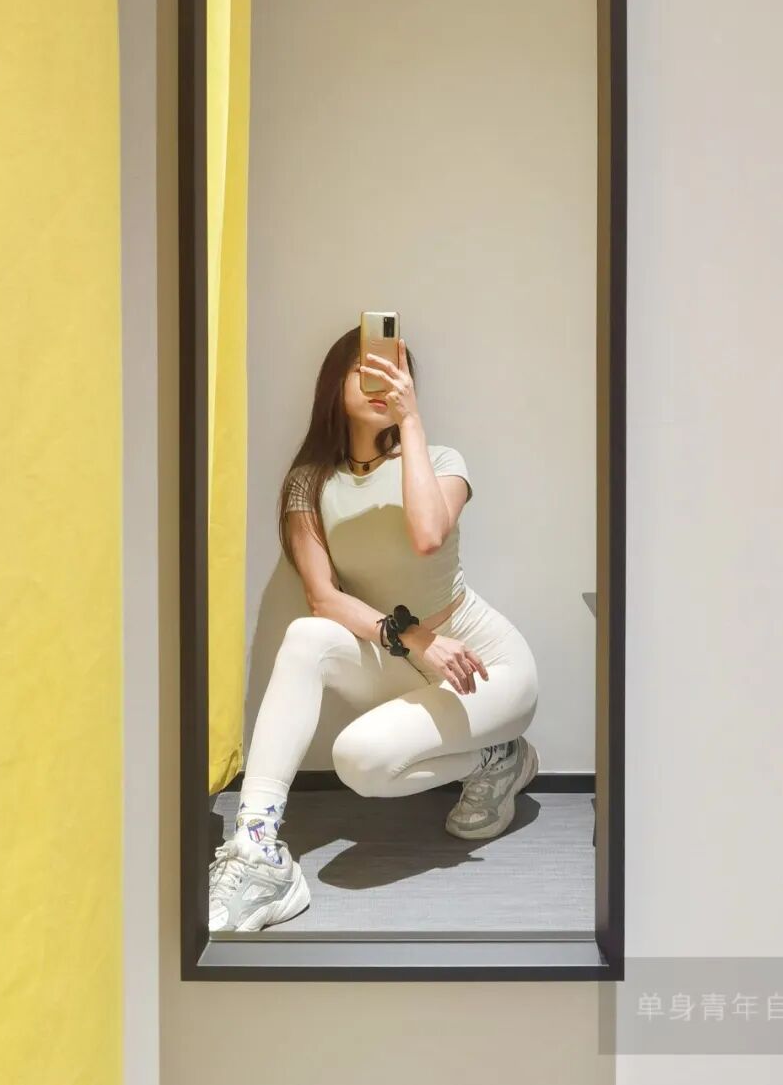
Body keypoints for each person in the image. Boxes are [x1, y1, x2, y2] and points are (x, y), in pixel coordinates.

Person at [208, 326, 540, 933]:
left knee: (360, 759)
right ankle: (257, 849)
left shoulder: (442, 462)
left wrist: (410, 423)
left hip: (484, 665)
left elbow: (427, 536)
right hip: (403, 656)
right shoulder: (310, 482)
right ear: (334, 382)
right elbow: (324, 597)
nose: (383, 381)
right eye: (368, 368)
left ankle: (499, 753)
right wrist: (411, 639)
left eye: (396, 371)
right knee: (315, 656)